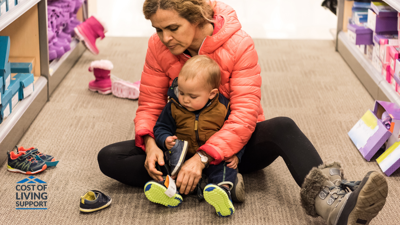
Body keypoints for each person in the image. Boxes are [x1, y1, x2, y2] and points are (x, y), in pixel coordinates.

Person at [98, 0, 388, 222]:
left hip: (236, 150)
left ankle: (332, 200)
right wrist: (150, 143)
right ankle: (201, 184)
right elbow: (149, 102)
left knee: (283, 126)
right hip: (181, 146)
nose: (164, 38)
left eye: (172, 28)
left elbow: (245, 113)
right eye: (158, 29)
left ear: (197, 18)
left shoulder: (239, 44)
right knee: (109, 157)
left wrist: (203, 157)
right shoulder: (157, 47)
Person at [144, 55, 244, 216]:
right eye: (181, 93)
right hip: (182, 156)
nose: (185, 100)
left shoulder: (223, 108)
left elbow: (237, 136)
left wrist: (236, 155)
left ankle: (222, 192)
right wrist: (164, 139)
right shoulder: (173, 106)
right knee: (164, 164)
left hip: (213, 157)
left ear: (211, 94)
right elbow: (161, 127)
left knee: (226, 166)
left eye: (192, 96)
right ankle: (169, 191)